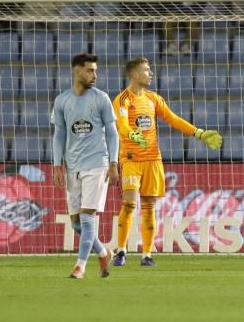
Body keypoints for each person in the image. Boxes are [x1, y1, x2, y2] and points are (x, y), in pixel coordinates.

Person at [111, 58, 223, 267]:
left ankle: (146, 254)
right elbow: (122, 123)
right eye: (146, 70)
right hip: (131, 159)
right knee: (128, 204)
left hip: (153, 159)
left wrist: (198, 133)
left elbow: (172, 118)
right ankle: (121, 250)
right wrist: (132, 135)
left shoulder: (153, 98)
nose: (151, 73)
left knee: (149, 207)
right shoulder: (123, 99)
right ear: (135, 74)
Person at [51, 53, 118, 279]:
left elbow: (112, 133)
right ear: (77, 71)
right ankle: (103, 252)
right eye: (90, 70)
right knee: (77, 224)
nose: (94, 75)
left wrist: (113, 162)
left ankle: (80, 266)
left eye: (95, 71)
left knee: (88, 218)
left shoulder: (102, 98)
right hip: (72, 166)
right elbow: (59, 134)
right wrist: (57, 164)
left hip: (97, 164)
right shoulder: (62, 100)